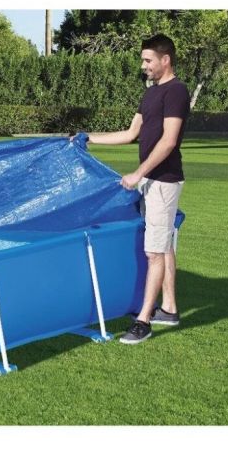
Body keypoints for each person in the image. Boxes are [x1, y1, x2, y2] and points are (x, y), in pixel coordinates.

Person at [80, 33, 190, 344]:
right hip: (150, 180)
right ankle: (168, 309)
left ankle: (144, 321)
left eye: (148, 60)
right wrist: (88, 138)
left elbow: (169, 141)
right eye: (143, 60)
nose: (143, 65)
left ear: (165, 60)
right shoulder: (150, 93)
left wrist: (138, 173)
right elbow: (130, 134)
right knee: (163, 245)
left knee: (153, 251)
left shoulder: (177, 91)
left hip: (163, 181)